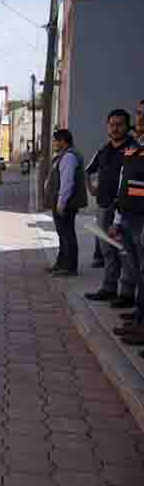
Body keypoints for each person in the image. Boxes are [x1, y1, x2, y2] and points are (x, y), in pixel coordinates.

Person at [83, 110, 135, 302]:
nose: (115, 128)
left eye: (119, 124)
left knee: (125, 251)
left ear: (127, 126)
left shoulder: (134, 149)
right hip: (104, 207)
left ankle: (127, 293)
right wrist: (92, 189)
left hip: (125, 209)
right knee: (107, 250)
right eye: (112, 125)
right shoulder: (103, 150)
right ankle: (109, 288)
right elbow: (87, 171)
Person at [110, 100, 144, 354]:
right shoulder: (135, 147)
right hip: (129, 217)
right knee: (138, 273)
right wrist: (118, 219)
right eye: (139, 114)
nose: (140, 118)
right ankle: (139, 320)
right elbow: (125, 182)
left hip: (141, 219)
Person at [44, 129, 88, 277]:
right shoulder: (62, 156)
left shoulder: (69, 157)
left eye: (55, 141)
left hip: (66, 204)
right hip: (61, 202)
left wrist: (61, 203)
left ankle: (69, 267)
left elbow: (67, 182)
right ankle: (61, 264)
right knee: (63, 235)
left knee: (67, 235)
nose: (53, 143)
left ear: (63, 141)